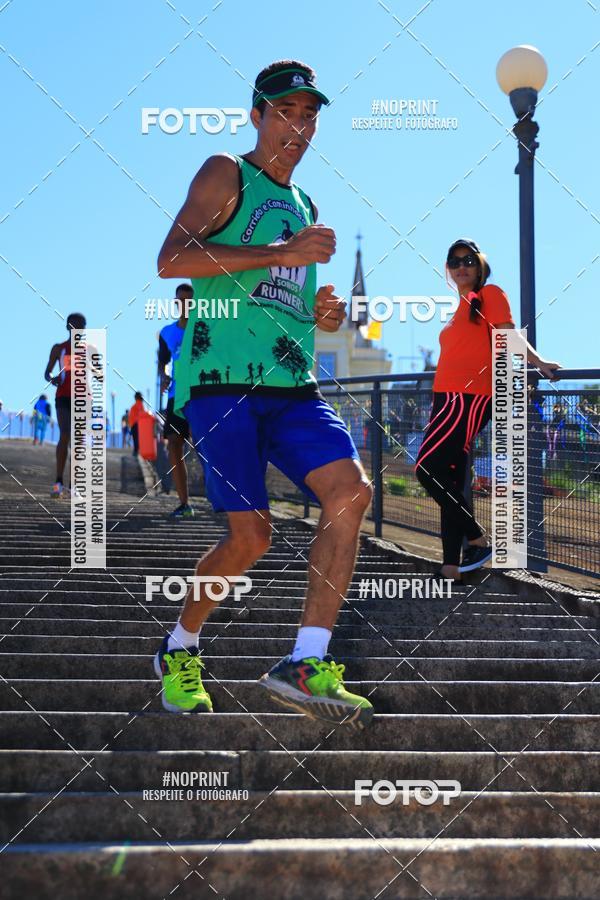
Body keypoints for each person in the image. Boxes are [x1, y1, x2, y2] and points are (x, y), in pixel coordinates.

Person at [154, 59, 373, 728]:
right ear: (257, 116)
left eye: (309, 115)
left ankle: (306, 660)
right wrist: (283, 250)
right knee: (250, 538)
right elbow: (172, 260)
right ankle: (181, 647)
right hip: (223, 384)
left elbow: (283, 299)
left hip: (293, 383)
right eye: (285, 111)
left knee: (353, 491)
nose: (298, 126)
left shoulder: (306, 207)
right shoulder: (227, 171)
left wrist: (322, 313)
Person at [415, 239, 561, 580]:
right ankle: (452, 566)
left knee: (427, 469)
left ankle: (479, 540)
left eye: (468, 260)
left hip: (466, 397)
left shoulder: (491, 293)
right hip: (446, 400)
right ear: (448, 269)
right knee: (449, 478)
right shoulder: (462, 305)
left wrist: (538, 362)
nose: (461, 266)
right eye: (454, 261)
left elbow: (508, 336)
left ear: (480, 265)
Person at [158, 283, 195, 518]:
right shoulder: (167, 333)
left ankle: (225, 501)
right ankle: (184, 503)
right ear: (175, 303)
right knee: (173, 445)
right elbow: (162, 362)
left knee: (205, 448)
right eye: (181, 300)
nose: (185, 304)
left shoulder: (204, 328)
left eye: (189, 300)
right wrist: (164, 376)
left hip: (201, 395)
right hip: (176, 396)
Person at [44, 312, 87, 497]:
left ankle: (74, 485)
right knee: (65, 434)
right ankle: (58, 481)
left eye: (80, 326)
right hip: (62, 396)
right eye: (73, 325)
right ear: (68, 327)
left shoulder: (89, 349)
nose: (76, 328)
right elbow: (47, 373)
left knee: (77, 441)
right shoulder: (58, 348)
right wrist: (52, 379)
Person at [128, 392, 145, 457]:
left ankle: (136, 451)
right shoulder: (140, 404)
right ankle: (136, 451)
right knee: (137, 438)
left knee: (135, 438)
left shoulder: (136, 405)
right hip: (137, 423)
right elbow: (142, 414)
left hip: (134, 424)